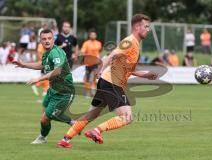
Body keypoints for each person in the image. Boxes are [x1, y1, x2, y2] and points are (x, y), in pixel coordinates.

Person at [57, 13, 158, 148]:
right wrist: (100, 70)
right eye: (146, 26)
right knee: (127, 117)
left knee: (91, 114)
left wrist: (146, 75)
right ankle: (96, 131)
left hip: (107, 82)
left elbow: (128, 69)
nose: (148, 29)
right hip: (112, 83)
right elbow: (110, 56)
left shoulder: (135, 44)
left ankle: (65, 140)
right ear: (137, 27)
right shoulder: (129, 41)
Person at [13, 29, 75, 144]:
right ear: (40, 40)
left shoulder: (56, 52)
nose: (47, 41)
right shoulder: (47, 53)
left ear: (53, 39)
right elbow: (42, 65)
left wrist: (38, 78)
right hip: (53, 90)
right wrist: (24, 65)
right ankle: (43, 137)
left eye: (49, 38)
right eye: (44, 39)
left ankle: (74, 123)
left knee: (48, 116)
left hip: (64, 91)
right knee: (44, 118)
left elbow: (58, 70)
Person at [80, 30, 102, 97]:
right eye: (91, 35)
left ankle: (92, 92)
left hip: (95, 63)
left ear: (96, 36)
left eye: (94, 35)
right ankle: (87, 92)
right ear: (89, 36)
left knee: (92, 78)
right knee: (86, 79)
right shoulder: (86, 43)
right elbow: (82, 52)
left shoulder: (98, 43)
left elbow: (98, 52)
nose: (93, 36)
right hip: (87, 63)